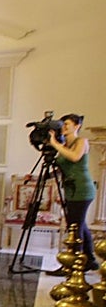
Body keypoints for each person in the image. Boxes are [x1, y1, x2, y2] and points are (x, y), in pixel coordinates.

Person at [50, 113, 99, 271]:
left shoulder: (81, 141)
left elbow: (75, 157)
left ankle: (74, 264)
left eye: (67, 124)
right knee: (79, 224)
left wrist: (54, 144)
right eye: (62, 124)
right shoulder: (65, 145)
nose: (63, 127)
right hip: (71, 189)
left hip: (82, 189)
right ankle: (89, 259)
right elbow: (62, 168)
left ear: (77, 126)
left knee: (75, 227)